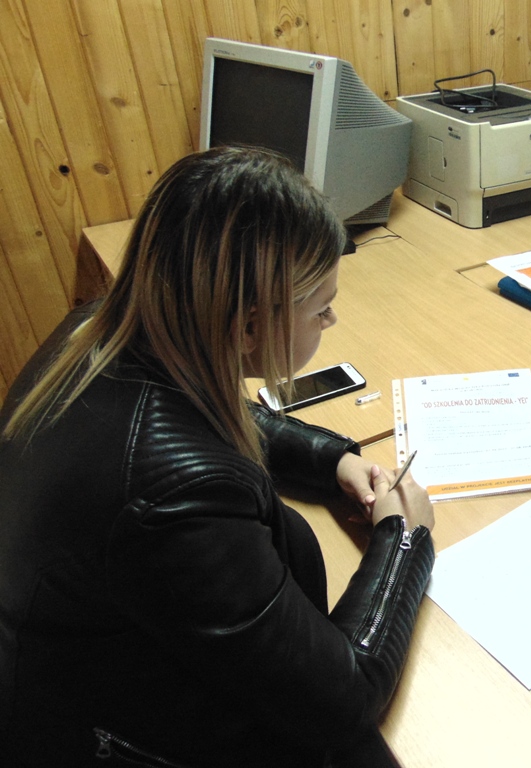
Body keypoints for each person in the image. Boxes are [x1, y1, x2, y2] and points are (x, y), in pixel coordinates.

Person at [0, 147, 435, 767]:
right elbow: (345, 698)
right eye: (321, 309)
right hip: (104, 736)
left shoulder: (102, 328)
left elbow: (213, 409)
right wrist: (404, 538)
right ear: (249, 327)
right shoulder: (177, 496)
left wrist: (331, 460)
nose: (333, 319)